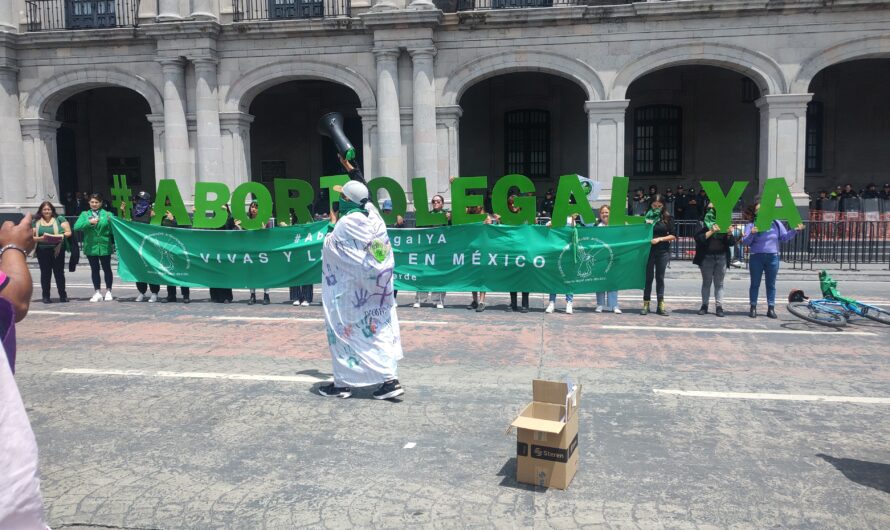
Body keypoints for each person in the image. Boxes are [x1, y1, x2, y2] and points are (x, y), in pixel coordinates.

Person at [317, 179, 404, 400]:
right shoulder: (375, 217)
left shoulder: (347, 223)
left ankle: (342, 385)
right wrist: (350, 167)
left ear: (347, 200)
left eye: (342, 196)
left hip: (350, 293)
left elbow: (329, 245)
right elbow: (379, 254)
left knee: (343, 334)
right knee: (379, 332)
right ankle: (389, 381)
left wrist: (332, 222)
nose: (339, 199)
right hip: (375, 291)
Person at [741, 202, 804, 318]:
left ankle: (771, 308)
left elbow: (784, 237)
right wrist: (752, 234)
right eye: (758, 210)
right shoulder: (751, 225)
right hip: (756, 257)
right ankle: (753, 307)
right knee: (755, 284)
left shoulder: (776, 223)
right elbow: (745, 242)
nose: (761, 211)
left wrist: (795, 230)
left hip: (772, 257)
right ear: (755, 213)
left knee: (771, 284)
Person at [693, 203, 736, 318]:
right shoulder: (702, 223)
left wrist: (729, 233)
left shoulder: (724, 222)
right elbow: (698, 239)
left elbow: (731, 242)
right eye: (709, 209)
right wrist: (711, 231)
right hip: (706, 257)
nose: (711, 211)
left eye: (714, 208)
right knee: (706, 282)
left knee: (719, 284)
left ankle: (719, 306)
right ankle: (704, 306)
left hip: (721, 257)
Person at [120, 192, 161, 302]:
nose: (139, 202)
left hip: (150, 246)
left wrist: (154, 216)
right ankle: (141, 292)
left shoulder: (152, 212)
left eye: (142, 199)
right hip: (136, 245)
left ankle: (154, 292)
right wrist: (123, 212)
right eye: (137, 199)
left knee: (151, 268)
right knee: (139, 269)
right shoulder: (133, 212)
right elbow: (126, 225)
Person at [73, 193, 115, 302]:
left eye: (97, 202)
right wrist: (88, 222)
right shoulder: (84, 214)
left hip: (104, 245)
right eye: (92, 202)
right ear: (89, 203)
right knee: (94, 269)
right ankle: (97, 292)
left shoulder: (107, 214)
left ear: (101, 203)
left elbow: (112, 230)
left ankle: (109, 291)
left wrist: (111, 223)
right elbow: (76, 227)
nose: (94, 204)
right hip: (91, 246)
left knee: (107, 269)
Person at [641, 194, 676, 316]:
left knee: (660, 278)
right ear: (650, 205)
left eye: (659, 206)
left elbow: (673, 235)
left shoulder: (667, 218)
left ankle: (660, 305)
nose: (656, 208)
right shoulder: (646, 217)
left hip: (662, 251)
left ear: (663, 206)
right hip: (648, 251)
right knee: (648, 278)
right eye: (654, 205)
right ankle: (646, 304)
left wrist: (660, 239)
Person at [413, 194, 449, 309]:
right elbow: (418, 229)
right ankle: (420, 298)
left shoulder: (447, 214)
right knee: (424, 273)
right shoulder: (427, 215)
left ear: (442, 203)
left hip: (441, 249)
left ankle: (438, 300)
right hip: (428, 249)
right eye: (433, 201)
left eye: (438, 201)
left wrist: (450, 219)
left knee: (440, 275)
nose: (435, 203)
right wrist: (418, 216)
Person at [32, 201, 71, 303]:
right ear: (41, 211)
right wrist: (41, 238)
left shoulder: (60, 219)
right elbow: (32, 237)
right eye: (44, 209)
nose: (47, 211)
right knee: (45, 273)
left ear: (52, 210)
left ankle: (63, 295)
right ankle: (46, 296)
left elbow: (68, 232)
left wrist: (60, 236)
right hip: (42, 250)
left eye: (49, 209)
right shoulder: (36, 221)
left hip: (57, 249)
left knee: (59, 273)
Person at [237, 200, 270, 305]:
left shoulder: (266, 221)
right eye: (252, 207)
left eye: (256, 207)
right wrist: (239, 227)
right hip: (250, 251)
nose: (253, 209)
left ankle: (266, 295)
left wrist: (264, 230)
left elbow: (270, 237)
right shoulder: (246, 221)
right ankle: (252, 295)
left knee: (264, 274)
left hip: (262, 251)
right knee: (251, 274)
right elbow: (244, 236)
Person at [545, 212, 574, 315]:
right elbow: (545, 230)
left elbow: (576, 232)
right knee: (554, 279)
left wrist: (574, 223)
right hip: (555, 255)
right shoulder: (552, 220)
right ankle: (552, 303)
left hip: (567, 254)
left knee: (568, 279)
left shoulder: (571, 220)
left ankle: (569, 302)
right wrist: (549, 225)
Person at [594, 205, 621, 314]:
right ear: (600, 215)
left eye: (607, 212)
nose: (605, 214)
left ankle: (614, 305)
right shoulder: (597, 227)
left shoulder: (616, 226)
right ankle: (600, 304)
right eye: (603, 213)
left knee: (613, 280)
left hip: (613, 257)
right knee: (600, 279)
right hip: (601, 258)